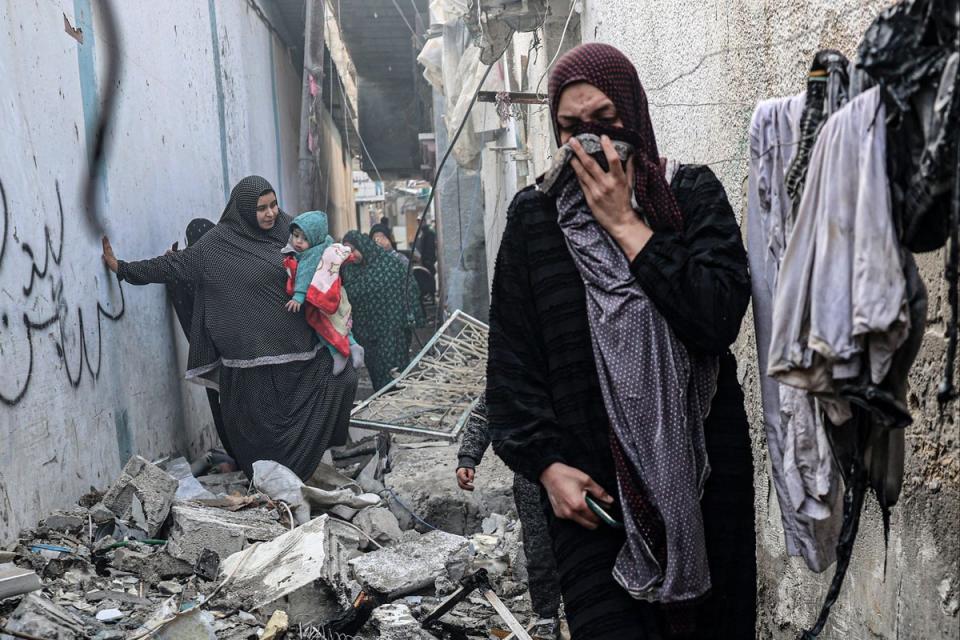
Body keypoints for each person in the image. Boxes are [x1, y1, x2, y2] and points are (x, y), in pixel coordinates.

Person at [486, 44, 755, 639]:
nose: (589, 145)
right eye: (570, 129)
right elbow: (511, 366)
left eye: (606, 125)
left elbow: (716, 318)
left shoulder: (689, 197)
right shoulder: (535, 219)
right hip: (593, 498)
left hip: (705, 485)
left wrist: (629, 227)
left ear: (633, 114)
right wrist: (548, 466)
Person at [101, 176, 358, 480]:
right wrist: (124, 268)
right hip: (250, 364)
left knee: (343, 379)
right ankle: (268, 483)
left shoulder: (291, 231)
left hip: (300, 355)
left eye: (273, 204)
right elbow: (172, 266)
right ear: (245, 209)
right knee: (258, 433)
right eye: (261, 207)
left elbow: (324, 255)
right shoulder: (217, 244)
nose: (270, 213)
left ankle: (299, 474)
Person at [456, 396, 562, 639]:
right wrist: (468, 457)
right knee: (539, 549)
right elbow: (484, 413)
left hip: (584, 472)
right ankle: (547, 618)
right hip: (532, 476)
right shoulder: (517, 366)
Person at [165, 218, 236, 473]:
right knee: (240, 407)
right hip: (236, 352)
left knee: (220, 408)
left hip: (209, 356)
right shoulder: (228, 263)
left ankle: (236, 456)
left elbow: (179, 285)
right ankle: (246, 457)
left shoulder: (190, 270)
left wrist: (172, 263)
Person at [283, 211, 365, 376]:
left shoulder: (310, 255)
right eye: (296, 235)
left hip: (321, 301)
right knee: (341, 325)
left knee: (323, 329)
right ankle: (354, 346)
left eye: (305, 238)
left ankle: (338, 354)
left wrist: (298, 297)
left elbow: (305, 275)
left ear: (314, 239)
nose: (298, 241)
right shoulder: (325, 243)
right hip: (336, 294)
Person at [341, 230, 424, 392]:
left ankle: (400, 406)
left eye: (353, 250)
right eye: (346, 252)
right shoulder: (348, 270)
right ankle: (383, 406)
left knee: (396, 373)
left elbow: (410, 288)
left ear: (363, 246)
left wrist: (412, 317)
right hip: (366, 334)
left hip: (394, 330)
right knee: (377, 374)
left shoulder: (389, 264)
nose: (351, 255)